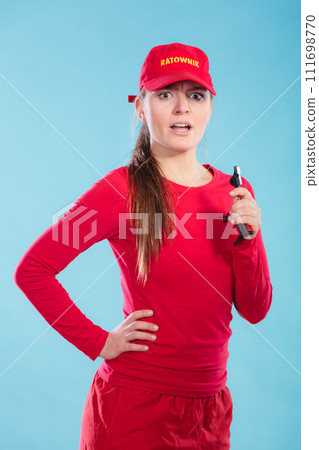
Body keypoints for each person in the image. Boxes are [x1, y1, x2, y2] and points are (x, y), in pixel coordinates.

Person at [13, 42, 273, 449]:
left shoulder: (235, 193)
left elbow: (255, 310)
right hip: (132, 411)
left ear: (209, 108)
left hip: (209, 411)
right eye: (166, 94)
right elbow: (32, 270)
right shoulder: (117, 191)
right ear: (140, 108)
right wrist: (99, 342)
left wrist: (249, 242)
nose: (182, 107)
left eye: (195, 95)